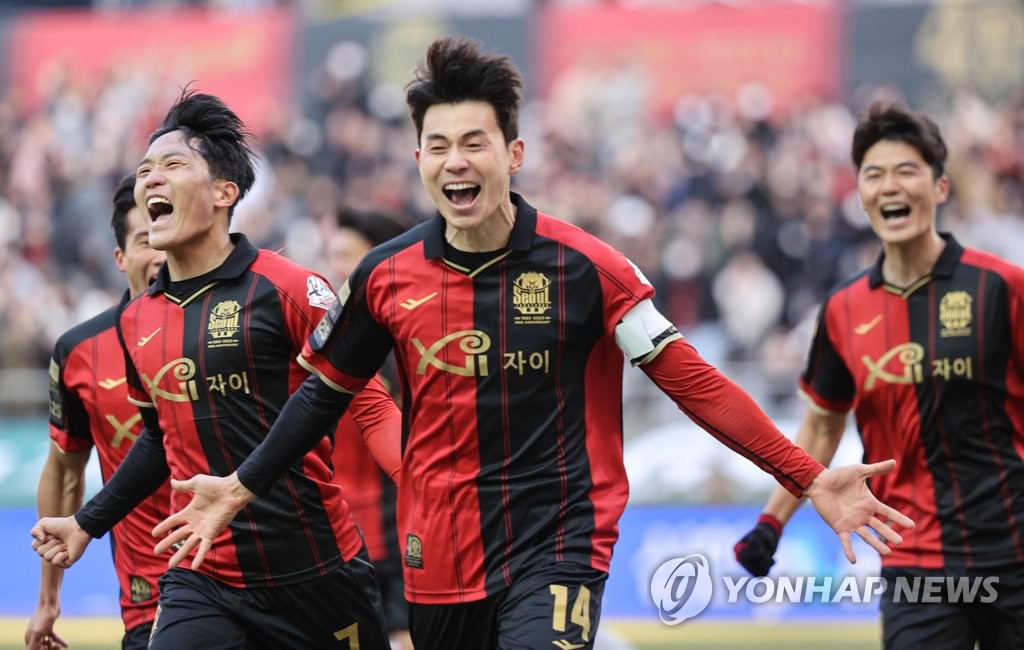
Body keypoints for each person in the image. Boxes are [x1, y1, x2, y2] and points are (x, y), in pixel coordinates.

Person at [145, 39, 913, 650]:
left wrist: (809, 478)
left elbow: (695, 382)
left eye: (474, 142)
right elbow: (322, 394)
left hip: (559, 541)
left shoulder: (590, 268)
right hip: (436, 560)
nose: (455, 161)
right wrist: (242, 486)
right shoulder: (383, 277)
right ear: (418, 161)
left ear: (513, 155)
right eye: (437, 145)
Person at [30, 90, 399, 650]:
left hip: (315, 571)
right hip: (203, 577)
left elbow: (369, 403)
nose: (151, 178)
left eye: (173, 164)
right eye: (145, 169)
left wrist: (422, 489)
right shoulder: (135, 321)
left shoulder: (292, 289)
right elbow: (158, 438)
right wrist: (87, 523)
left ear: (226, 193)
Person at [734, 102, 1024, 649]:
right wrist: (771, 525)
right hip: (915, 565)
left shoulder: (1002, 288)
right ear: (861, 195)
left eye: (907, 171)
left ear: (940, 188)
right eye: (874, 174)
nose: (891, 185)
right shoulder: (843, 311)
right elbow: (821, 428)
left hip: (1017, 551)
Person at [25, 174, 169, 650]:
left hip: (258, 579)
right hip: (152, 600)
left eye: (171, 232)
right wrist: (48, 598)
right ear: (121, 259)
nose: (163, 251)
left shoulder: (242, 325)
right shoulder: (79, 351)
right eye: (147, 240)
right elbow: (65, 476)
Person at [324, 207, 415, 650]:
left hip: (396, 540)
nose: (337, 267)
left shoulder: (401, 348)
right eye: (333, 255)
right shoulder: (322, 341)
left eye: (348, 255)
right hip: (335, 542)